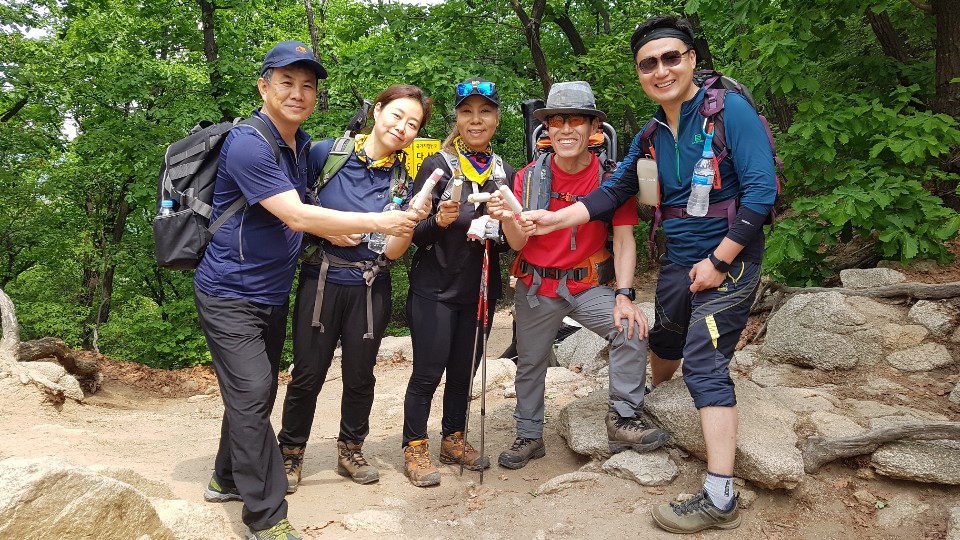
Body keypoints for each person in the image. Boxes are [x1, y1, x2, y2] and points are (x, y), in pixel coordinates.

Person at [525, 16, 778, 534]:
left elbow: (761, 192)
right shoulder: (652, 132)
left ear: (691, 59)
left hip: (729, 263)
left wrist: (720, 261)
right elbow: (612, 193)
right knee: (663, 341)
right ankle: (666, 412)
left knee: (704, 363)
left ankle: (720, 495)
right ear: (639, 73)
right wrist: (554, 219)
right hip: (679, 262)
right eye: (648, 64)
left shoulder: (729, 111)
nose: (661, 70)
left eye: (671, 58)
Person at [194, 42, 420, 540]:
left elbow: (304, 214)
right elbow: (296, 215)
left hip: (272, 293)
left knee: (254, 391)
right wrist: (376, 221)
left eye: (307, 85)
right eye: (286, 82)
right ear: (264, 86)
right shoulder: (249, 143)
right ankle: (267, 518)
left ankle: (225, 477)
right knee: (255, 391)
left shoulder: (299, 147)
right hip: (229, 291)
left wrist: (335, 231)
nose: (298, 93)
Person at [490, 81, 668, 472]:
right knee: (530, 361)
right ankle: (529, 435)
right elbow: (517, 243)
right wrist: (508, 219)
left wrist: (625, 296)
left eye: (576, 121)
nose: (566, 129)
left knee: (631, 328)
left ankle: (623, 419)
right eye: (557, 121)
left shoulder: (612, 180)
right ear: (547, 129)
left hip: (588, 285)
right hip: (537, 286)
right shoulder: (527, 178)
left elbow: (625, 241)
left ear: (594, 129)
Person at [278, 85, 434, 490]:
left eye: (413, 124)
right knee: (307, 373)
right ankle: (290, 453)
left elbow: (394, 252)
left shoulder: (403, 181)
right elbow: (289, 211)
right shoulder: (326, 154)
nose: (402, 127)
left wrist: (412, 221)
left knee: (361, 375)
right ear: (378, 110)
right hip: (321, 279)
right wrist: (329, 229)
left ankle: (351, 448)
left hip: (370, 284)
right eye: (397, 115)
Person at [400, 78, 523, 487]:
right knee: (427, 373)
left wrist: (498, 226)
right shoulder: (437, 166)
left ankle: (453, 438)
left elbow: (512, 239)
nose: (476, 119)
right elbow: (411, 234)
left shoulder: (504, 171)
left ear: (496, 119)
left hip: (479, 293)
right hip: (434, 290)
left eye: (485, 111)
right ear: (457, 118)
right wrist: (438, 222)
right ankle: (415, 446)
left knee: (463, 373)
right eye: (467, 112)